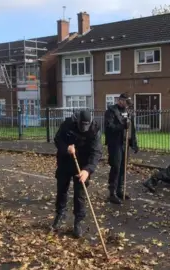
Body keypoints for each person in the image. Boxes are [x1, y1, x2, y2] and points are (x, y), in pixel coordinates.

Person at [52, 110, 102, 238]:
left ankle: (78, 221)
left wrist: (88, 170)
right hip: (65, 161)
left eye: (86, 125)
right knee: (62, 188)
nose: (83, 128)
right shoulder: (68, 124)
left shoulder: (95, 130)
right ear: (77, 121)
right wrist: (66, 148)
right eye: (81, 125)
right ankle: (60, 213)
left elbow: (96, 152)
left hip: (82, 165)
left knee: (80, 193)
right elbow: (57, 139)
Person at [104, 93, 139, 204]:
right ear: (120, 100)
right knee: (116, 167)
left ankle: (120, 190)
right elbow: (109, 128)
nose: (127, 105)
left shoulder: (128, 112)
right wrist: (122, 126)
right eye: (126, 102)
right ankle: (112, 193)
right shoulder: (111, 111)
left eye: (129, 104)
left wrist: (134, 143)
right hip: (115, 144)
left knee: (123, 167)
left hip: (125, 144)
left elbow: (132, 129)